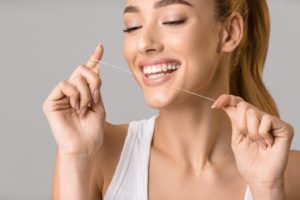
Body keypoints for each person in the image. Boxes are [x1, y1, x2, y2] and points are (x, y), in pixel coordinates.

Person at [43, 0, 300, 199]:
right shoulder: (95, 154)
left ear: (230, 33)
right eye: (132, 26)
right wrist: (75, 159)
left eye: (172, 20)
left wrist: (266, 190)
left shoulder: (288, 175)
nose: (144, 43)